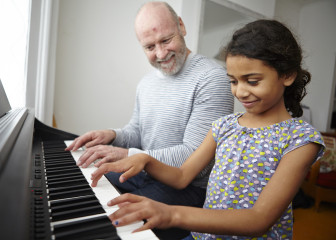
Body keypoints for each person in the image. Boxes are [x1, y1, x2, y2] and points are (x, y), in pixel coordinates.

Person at [90, 19, 325, 239]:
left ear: (287, 75)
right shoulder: (225, 126)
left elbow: (259, 219)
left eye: (252, 81)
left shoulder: (300, 140)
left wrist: (172, 214)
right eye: (233, 81)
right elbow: (182, 176)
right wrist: (146, 160)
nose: (240, 92)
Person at [65, 1, 234, 207]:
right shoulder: (146, 83)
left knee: (111, 212)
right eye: (150, 47)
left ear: (181, 26)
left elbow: (193, 157)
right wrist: (114, 135)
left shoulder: (212, 79)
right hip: (143, 173)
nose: (161, 54)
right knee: (83, 186)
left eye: (166, 40)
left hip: (188, 188)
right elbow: (137, 133)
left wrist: (129, 155)